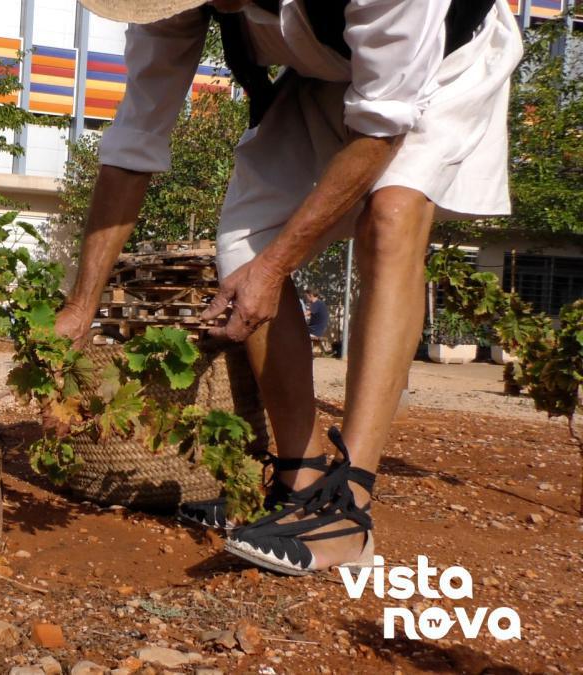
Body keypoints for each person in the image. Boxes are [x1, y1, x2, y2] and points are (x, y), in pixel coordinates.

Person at [60, 0, 520, 574]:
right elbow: (134, 140)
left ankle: (348, 508)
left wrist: (276, 269)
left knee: (392, 216)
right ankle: (300, 478)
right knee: (244, 244)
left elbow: (381, 128)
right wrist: (81, 307)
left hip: (438, 69)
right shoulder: (177, 9)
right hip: (325, 76)